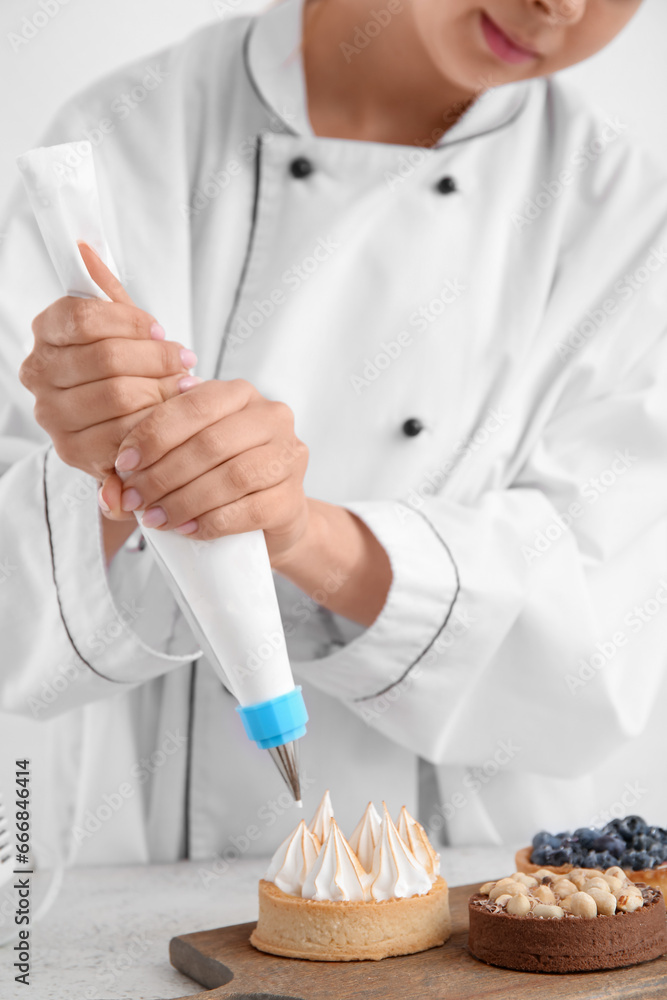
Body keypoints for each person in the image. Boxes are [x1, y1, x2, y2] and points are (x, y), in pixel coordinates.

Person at [1, 0, 666, 866]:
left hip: (470, 897)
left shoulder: (624, 216)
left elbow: (598, 646)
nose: (561, 7)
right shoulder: (126, 136)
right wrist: (105, 477)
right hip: (143, 867)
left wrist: (304, 533)